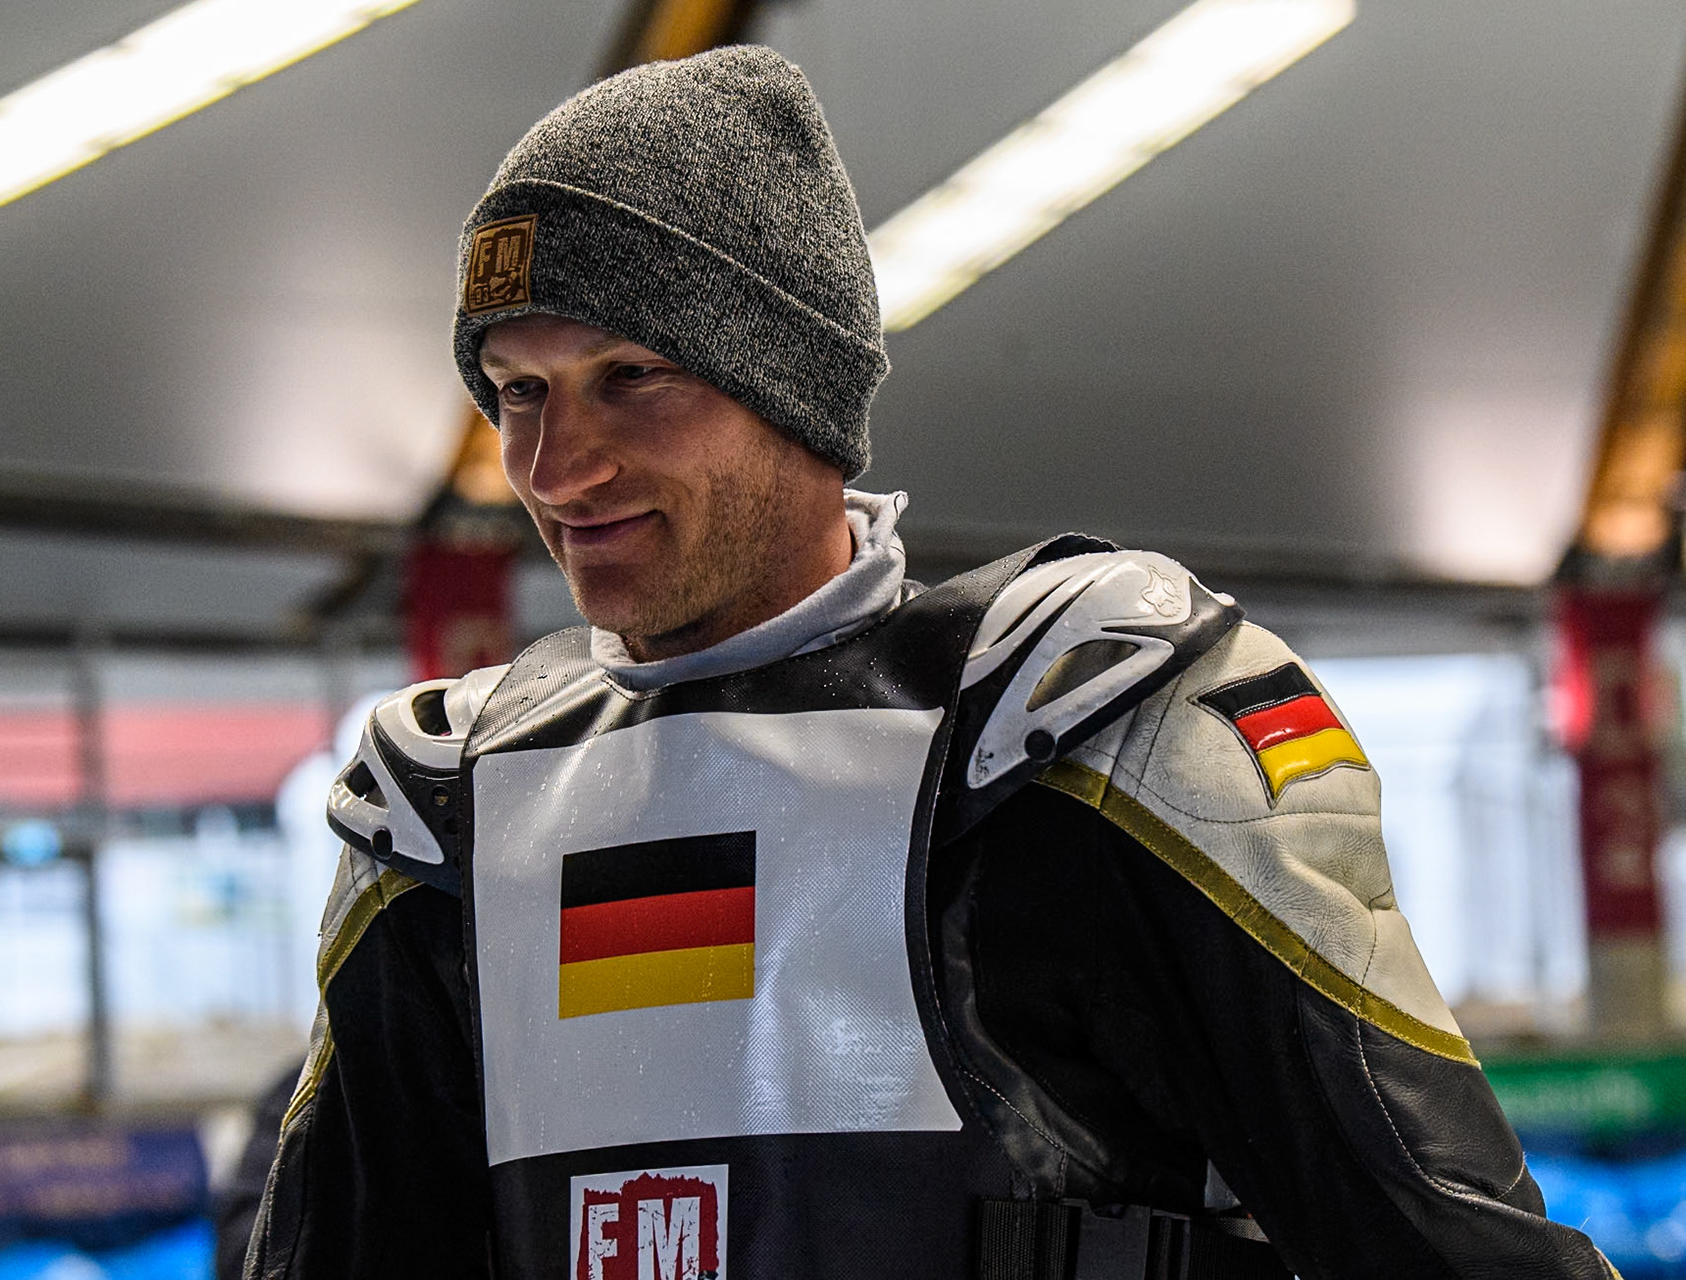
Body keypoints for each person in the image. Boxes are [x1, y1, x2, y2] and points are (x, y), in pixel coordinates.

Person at [246, 45, 1617, 1280]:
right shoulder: (451, 815)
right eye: (518, 392)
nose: (556, 468)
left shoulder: (1096, 736)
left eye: (630, 379)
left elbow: (1452, 1247)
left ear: (788, 386)